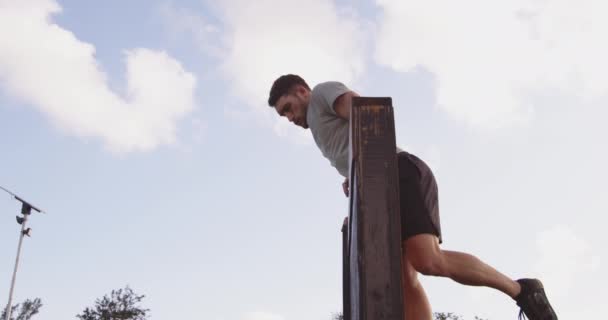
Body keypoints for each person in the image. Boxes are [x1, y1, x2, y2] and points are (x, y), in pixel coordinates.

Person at [267, 74, 558, 320]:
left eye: (288, 108)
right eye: (284, 115)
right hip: (378, 189)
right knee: (404, 281)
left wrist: (363, 167)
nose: (290, 118)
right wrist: (352, 178)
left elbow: (363, 111)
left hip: (399, 172)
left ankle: (523, 291)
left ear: (302, 91)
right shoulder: (319, 129)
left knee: (428, 260)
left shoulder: (321, 94)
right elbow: (350, 142)